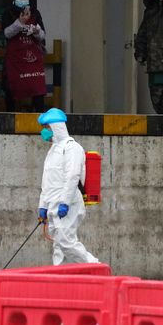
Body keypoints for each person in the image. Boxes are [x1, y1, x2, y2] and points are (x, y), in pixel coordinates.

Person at [37, 108, 99, 265]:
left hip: (68, 203)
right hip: (52, 203)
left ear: (56, 127)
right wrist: (42, 206)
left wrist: (64, 202)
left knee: (66, 241)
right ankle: (59, 276)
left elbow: (72, 177)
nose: (44, 132)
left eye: (47, 128)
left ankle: (94, 267)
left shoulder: (72, 148)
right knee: (58, 244)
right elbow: (47, 182)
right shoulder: (52, 151)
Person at [3, 0, 47, 112]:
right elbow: (6, 33)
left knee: (37, 89)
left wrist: (36, 30)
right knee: (11, 88)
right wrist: (20, 23)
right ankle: (10, 119)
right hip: (15, 60)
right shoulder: (8, 12)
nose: (22, 0)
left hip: (33, 59)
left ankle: (39, 118)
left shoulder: (35, 12)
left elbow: (43, 35)